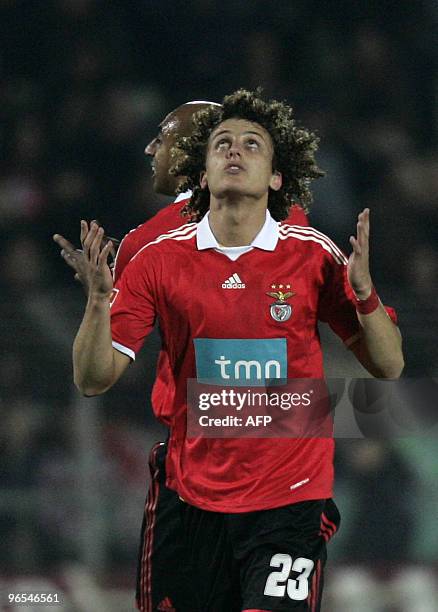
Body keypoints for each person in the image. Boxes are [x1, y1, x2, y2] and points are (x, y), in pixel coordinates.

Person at [68, 89, 404, 611]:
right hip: (191, 497)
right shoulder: (155, 258)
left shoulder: (312, 253)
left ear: (276, 176)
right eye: (222, 143)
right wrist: (95, 304)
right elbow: (92, 380)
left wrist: (365, 293)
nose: (235, 151)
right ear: (200, 173)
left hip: (289, 499)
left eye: (251, 144)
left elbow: (389, 364)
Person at [54, 98, 310, 612]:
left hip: (219, 474)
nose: (151, 148)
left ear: (194, 150)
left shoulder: (147, 244)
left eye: (162, 135)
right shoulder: (285, 216)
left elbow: (95, 378)